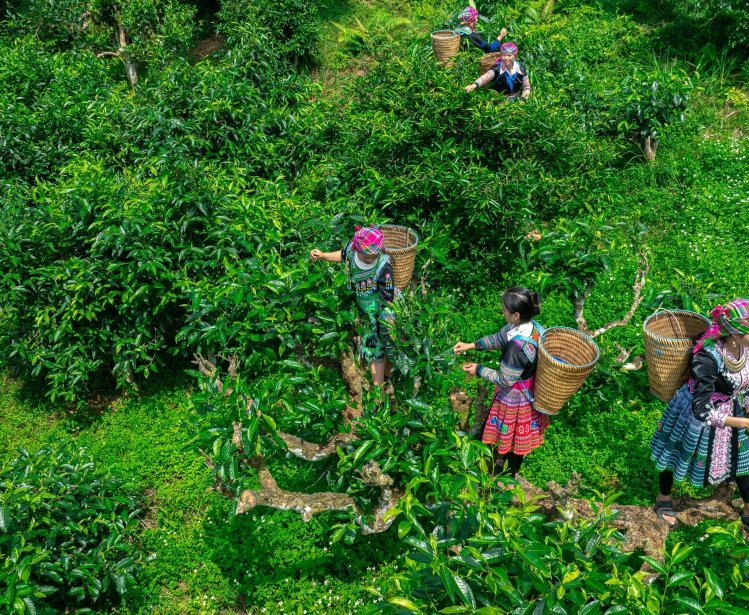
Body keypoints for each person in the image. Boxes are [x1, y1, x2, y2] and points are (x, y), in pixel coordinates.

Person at [650, 299, 749, 529]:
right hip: (695, 412)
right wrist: (741, 422)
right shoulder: (708, 357)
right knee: (674, 453)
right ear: (734, 333)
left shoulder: (744, 349)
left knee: (744, 456)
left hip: (731, 406)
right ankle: (664, 498)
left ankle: (747, 506)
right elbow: (700, 409)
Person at [453, 287, 545, 478]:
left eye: (504, 309)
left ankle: (509, 476)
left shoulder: (516, 348)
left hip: (516, 399)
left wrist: (478, 369)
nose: (502, 312)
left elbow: (504, 380)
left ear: (516, 315)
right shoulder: (531, 327)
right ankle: (502, 465)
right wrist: (472, 345)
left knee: (513, 438)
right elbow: (498, 338)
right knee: (511, 436)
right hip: (526, 389)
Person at [310, 226, 395, 387]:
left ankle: (379, 389)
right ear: (357, 248)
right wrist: (323, 255)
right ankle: (383, 377)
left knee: (377, 346)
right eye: (366, 256)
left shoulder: (384, 267)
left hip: (377, 308)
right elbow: (342, 255)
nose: (370, 259)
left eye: (374, 256)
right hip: (358, 303)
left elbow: (387, 300)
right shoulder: (351, 249)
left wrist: (385, 321)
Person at [464, 42, 531, 100]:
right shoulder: (497, 68)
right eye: (503, 55)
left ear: (515, 56)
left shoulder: (520, 67)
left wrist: (523, 100)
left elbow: (526, 87)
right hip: (500, 100)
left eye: (509, 55)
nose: (506, 58)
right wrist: (474, 85)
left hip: (517, 99)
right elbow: (486, 77)